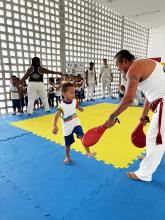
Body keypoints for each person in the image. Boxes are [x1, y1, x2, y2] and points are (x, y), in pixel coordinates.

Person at [105, 49, 165, 182]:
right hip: (161, 103)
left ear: (125, 61)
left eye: (118, 65)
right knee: (154, 137)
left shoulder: (133, 68)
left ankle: (144, 174)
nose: (118, 68)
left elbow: (128, 99)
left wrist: (112, 116)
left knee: (154, 138)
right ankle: (151, 156)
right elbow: (149, 94)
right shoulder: (143, 65)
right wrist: (144, 115)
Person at [52, 82, 96, 164]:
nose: (74, 94)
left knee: (82, 136)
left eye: (74, 92)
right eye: (71, 93)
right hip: (67, 127)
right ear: (64, 94)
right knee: (68, 144)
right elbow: (56, 115)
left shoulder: (74, 101)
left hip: (76, 123)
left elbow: (75, 106)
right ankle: (67, 156)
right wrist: (54, 125)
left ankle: (88, 152)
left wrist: (79, 108)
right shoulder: (61, 106)